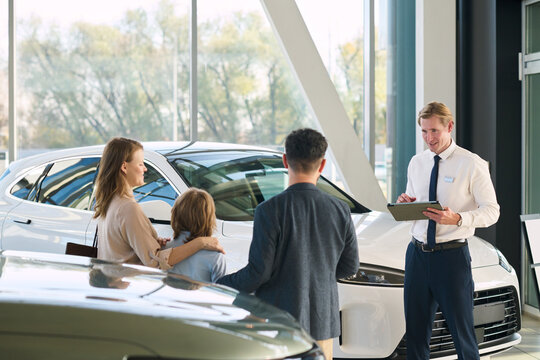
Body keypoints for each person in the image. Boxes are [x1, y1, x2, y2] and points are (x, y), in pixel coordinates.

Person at [217, 128, 359, 360]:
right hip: (323, 322)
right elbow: (349, 267)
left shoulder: (268, 210)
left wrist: (220, 285)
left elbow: (258, 273)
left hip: (278, 322)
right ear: (322, 166)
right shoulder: (340, 209)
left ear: (285, 160)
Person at [397, 102, 500, 360]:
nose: (429, 138)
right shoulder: (416, 162)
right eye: (424, 132)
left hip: (451, 259)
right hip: (417, 256)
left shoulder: (471, 164)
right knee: (416, 335)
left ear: (449, 127)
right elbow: (417, 199)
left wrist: (458, 218)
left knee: (462, 335)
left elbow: (492, 211)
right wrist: (405, 203)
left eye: (434, 131)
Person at [94, 137, 224, 270]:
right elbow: (155, 261)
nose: (145, 169)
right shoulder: (128, 208)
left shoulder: (110, 202)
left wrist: (153, 242)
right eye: (140, 164)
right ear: (124, 167)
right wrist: (200, 242)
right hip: (129, 286)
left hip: (113, 285)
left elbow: (124, 248)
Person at [164, 188, 226, 282]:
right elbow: (221, 292)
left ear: (175, 214)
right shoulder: (215, 256)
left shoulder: (163, 250)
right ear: (209, 219)